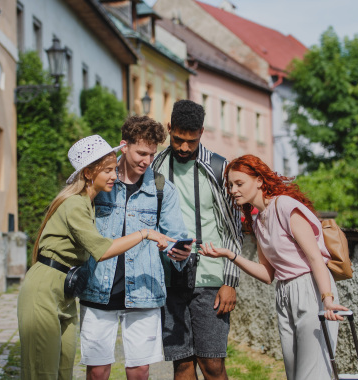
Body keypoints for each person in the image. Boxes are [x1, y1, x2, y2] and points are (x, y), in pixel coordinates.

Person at [17, 135, 175, 380]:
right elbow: (102, 251)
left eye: (114, 169)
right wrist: (145, 232)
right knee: (42, 371)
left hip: (66, 291)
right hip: (44, 287)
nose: (114, 175)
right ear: (89, 173)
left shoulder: (89, 203)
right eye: (108, 170)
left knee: (62, 371)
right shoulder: (75, 205)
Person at [199, 154, 349, 380]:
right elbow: (268, 274)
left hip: (310, 288)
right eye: (230, 185)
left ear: (259, 180)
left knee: (312, 375)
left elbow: (316, 259)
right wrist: (230, 254)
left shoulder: (285, 206)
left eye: (239, 183)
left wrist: (327, 299)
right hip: (284, 292)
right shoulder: (258, 221)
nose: (233, 190)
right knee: (293, 372)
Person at [78, 116, 192, 380]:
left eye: (152, 155)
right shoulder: (99, 183)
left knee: (139, 371)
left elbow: (175, 237)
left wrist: (178, 252)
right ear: (124, 146)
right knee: (97, 371)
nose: (146, 160)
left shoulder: (162, 189)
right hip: (98, 288)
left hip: (144, 290)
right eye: (141, 152)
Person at [152, 100, 243, 380]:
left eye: (191, 141)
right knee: (181, 363)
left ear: (201, 132)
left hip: (211, 279)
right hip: (168, 278)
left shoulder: (218, 169)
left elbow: (233, 230)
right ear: (170, 129)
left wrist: (230, 282)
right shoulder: (154, 166)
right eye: (178, 139)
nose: (184, 147)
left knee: (212, 363)